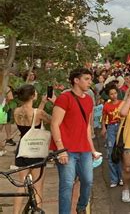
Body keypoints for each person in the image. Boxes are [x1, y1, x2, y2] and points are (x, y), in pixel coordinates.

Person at [50, 68, 100, 214]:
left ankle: (81, 207)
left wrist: (92, 149)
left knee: (88, 181)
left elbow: (87, 127)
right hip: (66, 150)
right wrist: (60, 150)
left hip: (83, 148)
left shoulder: (89, 100)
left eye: (90, 79)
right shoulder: (64, 98)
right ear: (76, 80)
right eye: (86, 79)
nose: (90, 82)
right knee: (66, 185)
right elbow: (54, 124)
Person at [12, 85, 52, 214]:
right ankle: (37, 211)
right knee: (37, 186)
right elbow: (50, 121)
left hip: (22, 149)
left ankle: (16, 212)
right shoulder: (39, 113)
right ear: (32, 96)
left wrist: (42, 103)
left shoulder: (16, 111)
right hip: (35, 150)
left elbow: (32, 120)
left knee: (21, 186)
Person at [101, 85, 123, 188]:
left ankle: (122, 177)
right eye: (111, 94)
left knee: (121, 153)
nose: (113, 95)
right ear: (108, 95)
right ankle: (114, 179)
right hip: (110, 128)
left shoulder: (122, 104)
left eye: (115, 93)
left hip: (121, 128)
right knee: (110, 154)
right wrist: (103, 128)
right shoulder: (106, 105)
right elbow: (104, 117)